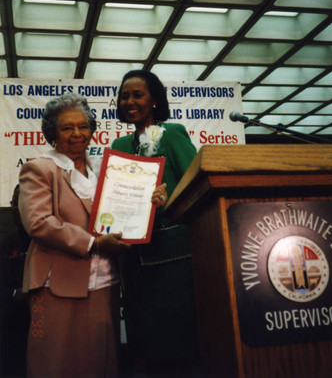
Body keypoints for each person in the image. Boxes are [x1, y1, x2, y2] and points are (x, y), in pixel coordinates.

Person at [18, 93, 167, 378]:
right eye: (67, 128)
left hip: (104, 283)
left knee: (102, 363)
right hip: (57, 284)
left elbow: (122, 210)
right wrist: (93, 243)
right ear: (52, 134)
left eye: (83, 126)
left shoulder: (103, 170)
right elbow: (38, 223)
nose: (77, 134)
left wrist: (151, 199)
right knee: (57, 363)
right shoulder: (39, 168)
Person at [112, 70, 199, 377]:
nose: (130, 101)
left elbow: (197, 186)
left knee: (177, 346)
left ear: (154, 101)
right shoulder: (120, 144)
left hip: (172, 259)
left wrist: (168, 198)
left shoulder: (172, 133)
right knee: (146, 345)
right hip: (133, 258)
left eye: (138, 95)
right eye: (124, 96)